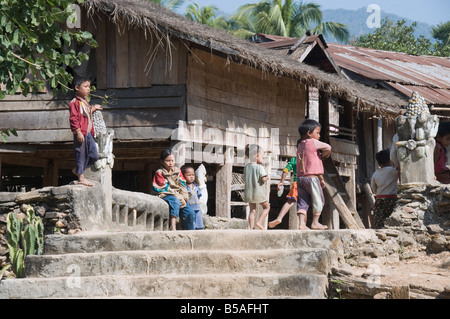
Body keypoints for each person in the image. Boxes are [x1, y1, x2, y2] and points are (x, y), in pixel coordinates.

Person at [296, 119, 331, 230]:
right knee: (319, 200)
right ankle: (315, 222)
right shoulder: (313, 142)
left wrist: (321, 178)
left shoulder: (300, 144)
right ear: (309, 133)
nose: (319, 135)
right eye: (317, 132)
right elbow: (328, 147)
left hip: (301, 179)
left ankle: (301, 224)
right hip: (312, 179)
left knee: (303, 201)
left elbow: (311, 164)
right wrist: (324, 155)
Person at [69, 76, 102, 186]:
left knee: (94, 155)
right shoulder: (74, 102)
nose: (88, 89)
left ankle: (78, 169)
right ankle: (81, 177)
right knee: (81, 154)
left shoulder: (85, 101)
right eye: (86, 87)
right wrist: (78, 132)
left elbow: (86, 113)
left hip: (88, 134)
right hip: (81, 134)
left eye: (89, 87)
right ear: (77, 88)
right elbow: (74, 118)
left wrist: (93, 108)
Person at [152, 149, 195, 231]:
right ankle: (173, 226)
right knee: (175, 201)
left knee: (190, 212)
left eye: (172, 160)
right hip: (165, 195)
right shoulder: (159, 173)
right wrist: (177, 196)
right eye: (167, 161)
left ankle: (190, 231)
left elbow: (182, 185)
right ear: (162, 161)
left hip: (179, 196)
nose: (170, 163)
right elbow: (163, 188)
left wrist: (184, 197)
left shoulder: (177, 171)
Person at [268, 140, 300, 228]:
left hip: (296, 183)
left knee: (290, 201)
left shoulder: (294, 159)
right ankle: (303, 224)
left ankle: (279, 217)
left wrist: (281, 182)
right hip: (307, 183)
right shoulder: (309, 159)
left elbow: (286, 170)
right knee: (305, 203)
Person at [243, 144, 270, 230]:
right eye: (262, 156)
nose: (262, 158)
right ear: (257, 156)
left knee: (252, 210)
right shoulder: (260, 167)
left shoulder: (246, 167)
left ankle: (251, 228)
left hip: (249, 193)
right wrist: (267, 177)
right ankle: (259, 222)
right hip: (259, 192)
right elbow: (263, 179)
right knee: (267, 207)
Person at [371, 149, 398, 229]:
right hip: (393, 199)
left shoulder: (375, 173)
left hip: (380, 200)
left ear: (378, 163)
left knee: (379, 221)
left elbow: (373, 187)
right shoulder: (394, 171)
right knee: (394, 221)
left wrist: (378, 193)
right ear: (390, 160)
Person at [181, 165, 205, 230]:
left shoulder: (195, 186)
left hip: (197, 208)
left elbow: (198, 196)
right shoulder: (184, 187)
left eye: (193, 175)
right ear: (183, 176)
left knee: (199, 223)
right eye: (189, 175)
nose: (191, 177)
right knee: (191, 224)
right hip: (189, 209)